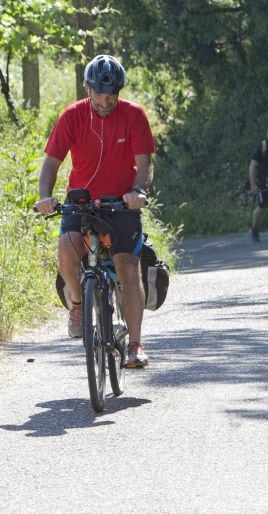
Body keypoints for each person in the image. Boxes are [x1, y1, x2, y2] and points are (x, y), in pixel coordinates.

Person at [34, 55, 155, 368]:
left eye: (111, 95)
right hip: (82, 202)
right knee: (66, 246)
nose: (105, 101)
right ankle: (77, 302)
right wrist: (46, 196)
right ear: (87, 88)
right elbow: (51, 163)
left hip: (121, 202)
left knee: (128, 267)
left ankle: (136, 345)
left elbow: (145, 164)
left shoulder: (134, 115)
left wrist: (137, 191)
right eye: (99, 95)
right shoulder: (72, 116)